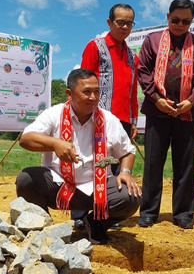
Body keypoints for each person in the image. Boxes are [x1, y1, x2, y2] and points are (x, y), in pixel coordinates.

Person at [15, 68, 142, 245]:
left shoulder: (109, 119)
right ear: (69, 94)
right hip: (59, 185)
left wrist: (126, 171)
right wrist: (54, 143)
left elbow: (127, 151)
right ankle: (43, 229)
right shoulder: (54, 114)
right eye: (86, 92)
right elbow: (26, 139)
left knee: (131, 196)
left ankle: (95, 224)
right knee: (26, 179)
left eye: (97, 91)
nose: (93, 97)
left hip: (98, 189)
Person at [137, 0, 194, 229]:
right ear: (167, 17)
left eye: (186, 21)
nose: (180, 24)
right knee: (152, 163)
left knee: (185, 164)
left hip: (187, 113)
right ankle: (148, 211)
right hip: (156, 110)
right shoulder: (152, 40)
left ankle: (182, 213)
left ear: (192, 21)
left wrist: (192, 101)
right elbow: (144, 71)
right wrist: (157, 99)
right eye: (176, 19)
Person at [74, 3, 139, 231]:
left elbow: (132, 91)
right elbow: (82, 80)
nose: (124, 27)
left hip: (121, 119)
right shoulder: (96, 47)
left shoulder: (133, 56)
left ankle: (108, 212)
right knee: (89, 162)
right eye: (120, 22)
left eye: (129, 23)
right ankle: (80, 214)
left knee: (113, 166)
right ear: (109, 22)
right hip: (97, 116)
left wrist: (133, 120)